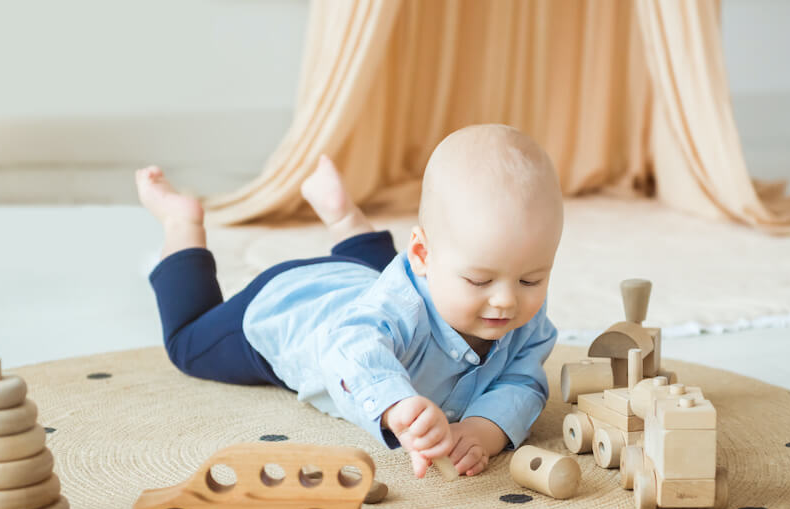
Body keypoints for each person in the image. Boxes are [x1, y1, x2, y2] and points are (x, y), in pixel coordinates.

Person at [137, 124, 563, 479]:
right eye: (479, 279)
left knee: (382, 280)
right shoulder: (393, 311)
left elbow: (524, 379)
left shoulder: (519, 311)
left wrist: (484, 427)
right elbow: (351, 350)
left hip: (364, 281)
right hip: (290, 306)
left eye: (531, 278)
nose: (507, 301)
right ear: (422, 256)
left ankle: (342, 214)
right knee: (187, 344)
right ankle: (181, 223)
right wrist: (396, 404)